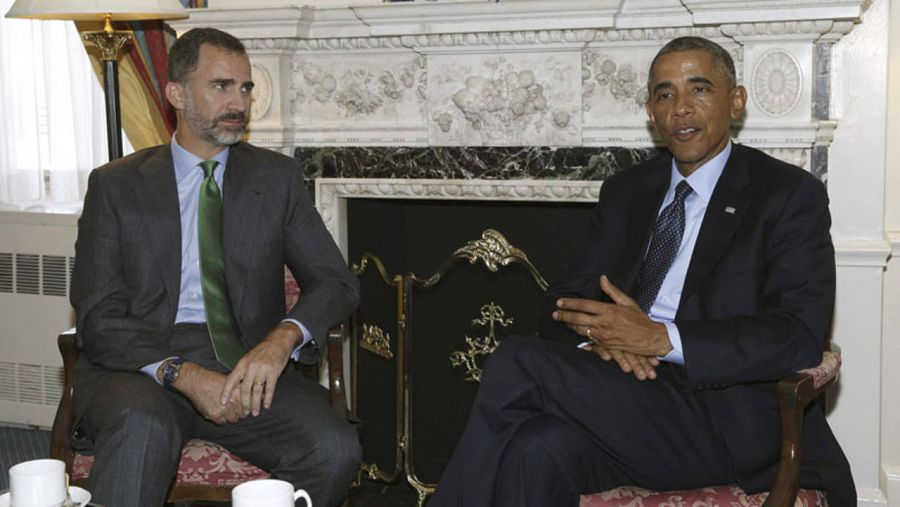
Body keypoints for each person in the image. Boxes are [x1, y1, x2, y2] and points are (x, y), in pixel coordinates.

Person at [429, 36, 855, 507]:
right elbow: (561, 301)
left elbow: (796, 334)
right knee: (536, 450)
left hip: (721, 425)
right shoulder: (628, 192)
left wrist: (660, 338)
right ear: (651, 112)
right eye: (665, 94)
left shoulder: (788, 195)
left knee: (514, 360)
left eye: (699, 90)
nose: (681, 109)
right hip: (623, 398)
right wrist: (604, 340)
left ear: (735, 102)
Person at [69, 28, 360, 507]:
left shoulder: (275, 179)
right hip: (142, 367)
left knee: (332, 448)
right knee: (142, 428)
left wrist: (280, 340)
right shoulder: (116, 186)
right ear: (177, 94)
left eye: (245, 88)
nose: (239, 103)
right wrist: (184, 375)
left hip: (245, 362)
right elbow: (99, 314)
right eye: (221, 86)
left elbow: (336, 281)